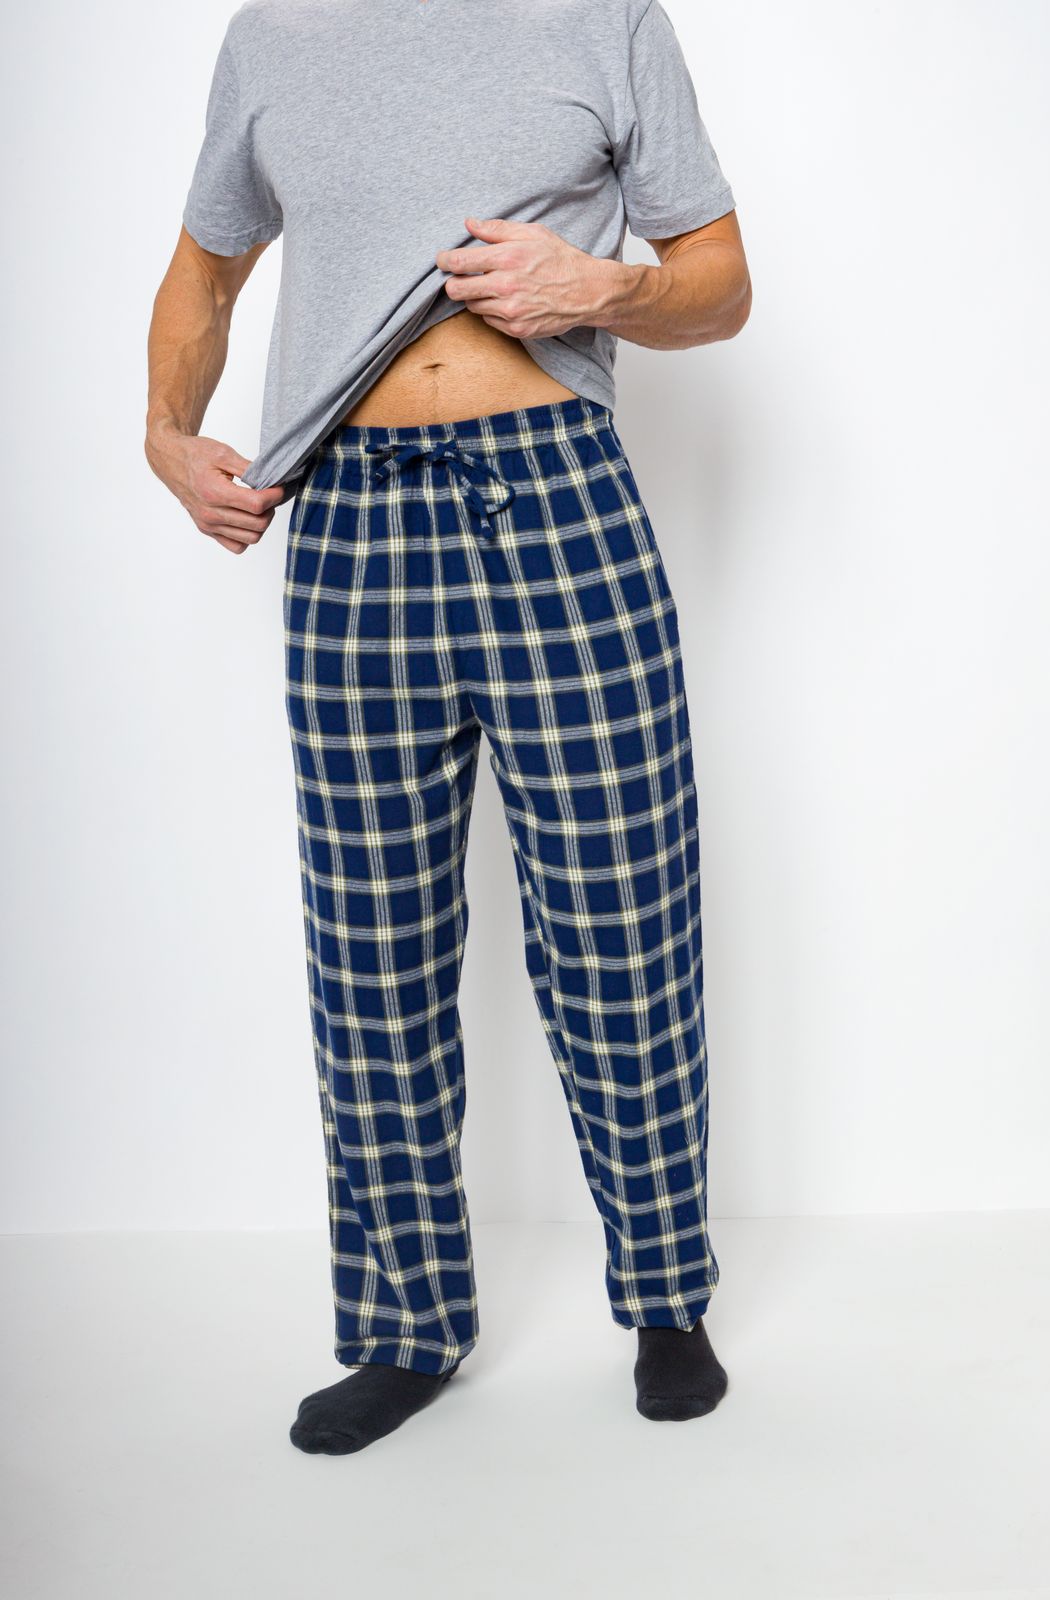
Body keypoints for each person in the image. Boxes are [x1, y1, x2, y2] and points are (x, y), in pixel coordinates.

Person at [145, 0, 751, 1456]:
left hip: (557, 497)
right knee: (372, 948)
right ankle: (405, 1329)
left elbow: (719, 284)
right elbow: (204, 272)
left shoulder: (603, 17)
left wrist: (599, 285)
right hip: (347, 519)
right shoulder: (273, 35)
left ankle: (666, 1300)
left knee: (621, 923)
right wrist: (167, 435)